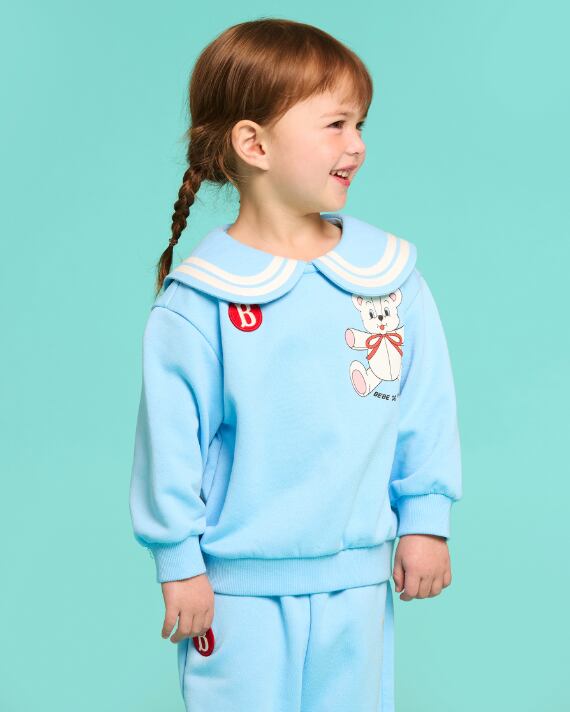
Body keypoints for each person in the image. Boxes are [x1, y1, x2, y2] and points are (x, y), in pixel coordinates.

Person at [129, 17, 462, 712]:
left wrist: (425, 518)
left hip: (358, 585)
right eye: (335, 124)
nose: (357, 144)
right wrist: (179, 563)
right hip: (238, 595)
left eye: (360, 124)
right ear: (254, 143)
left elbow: (424, 407)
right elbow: (172, 445)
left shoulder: (389, 278)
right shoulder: (201, 301)